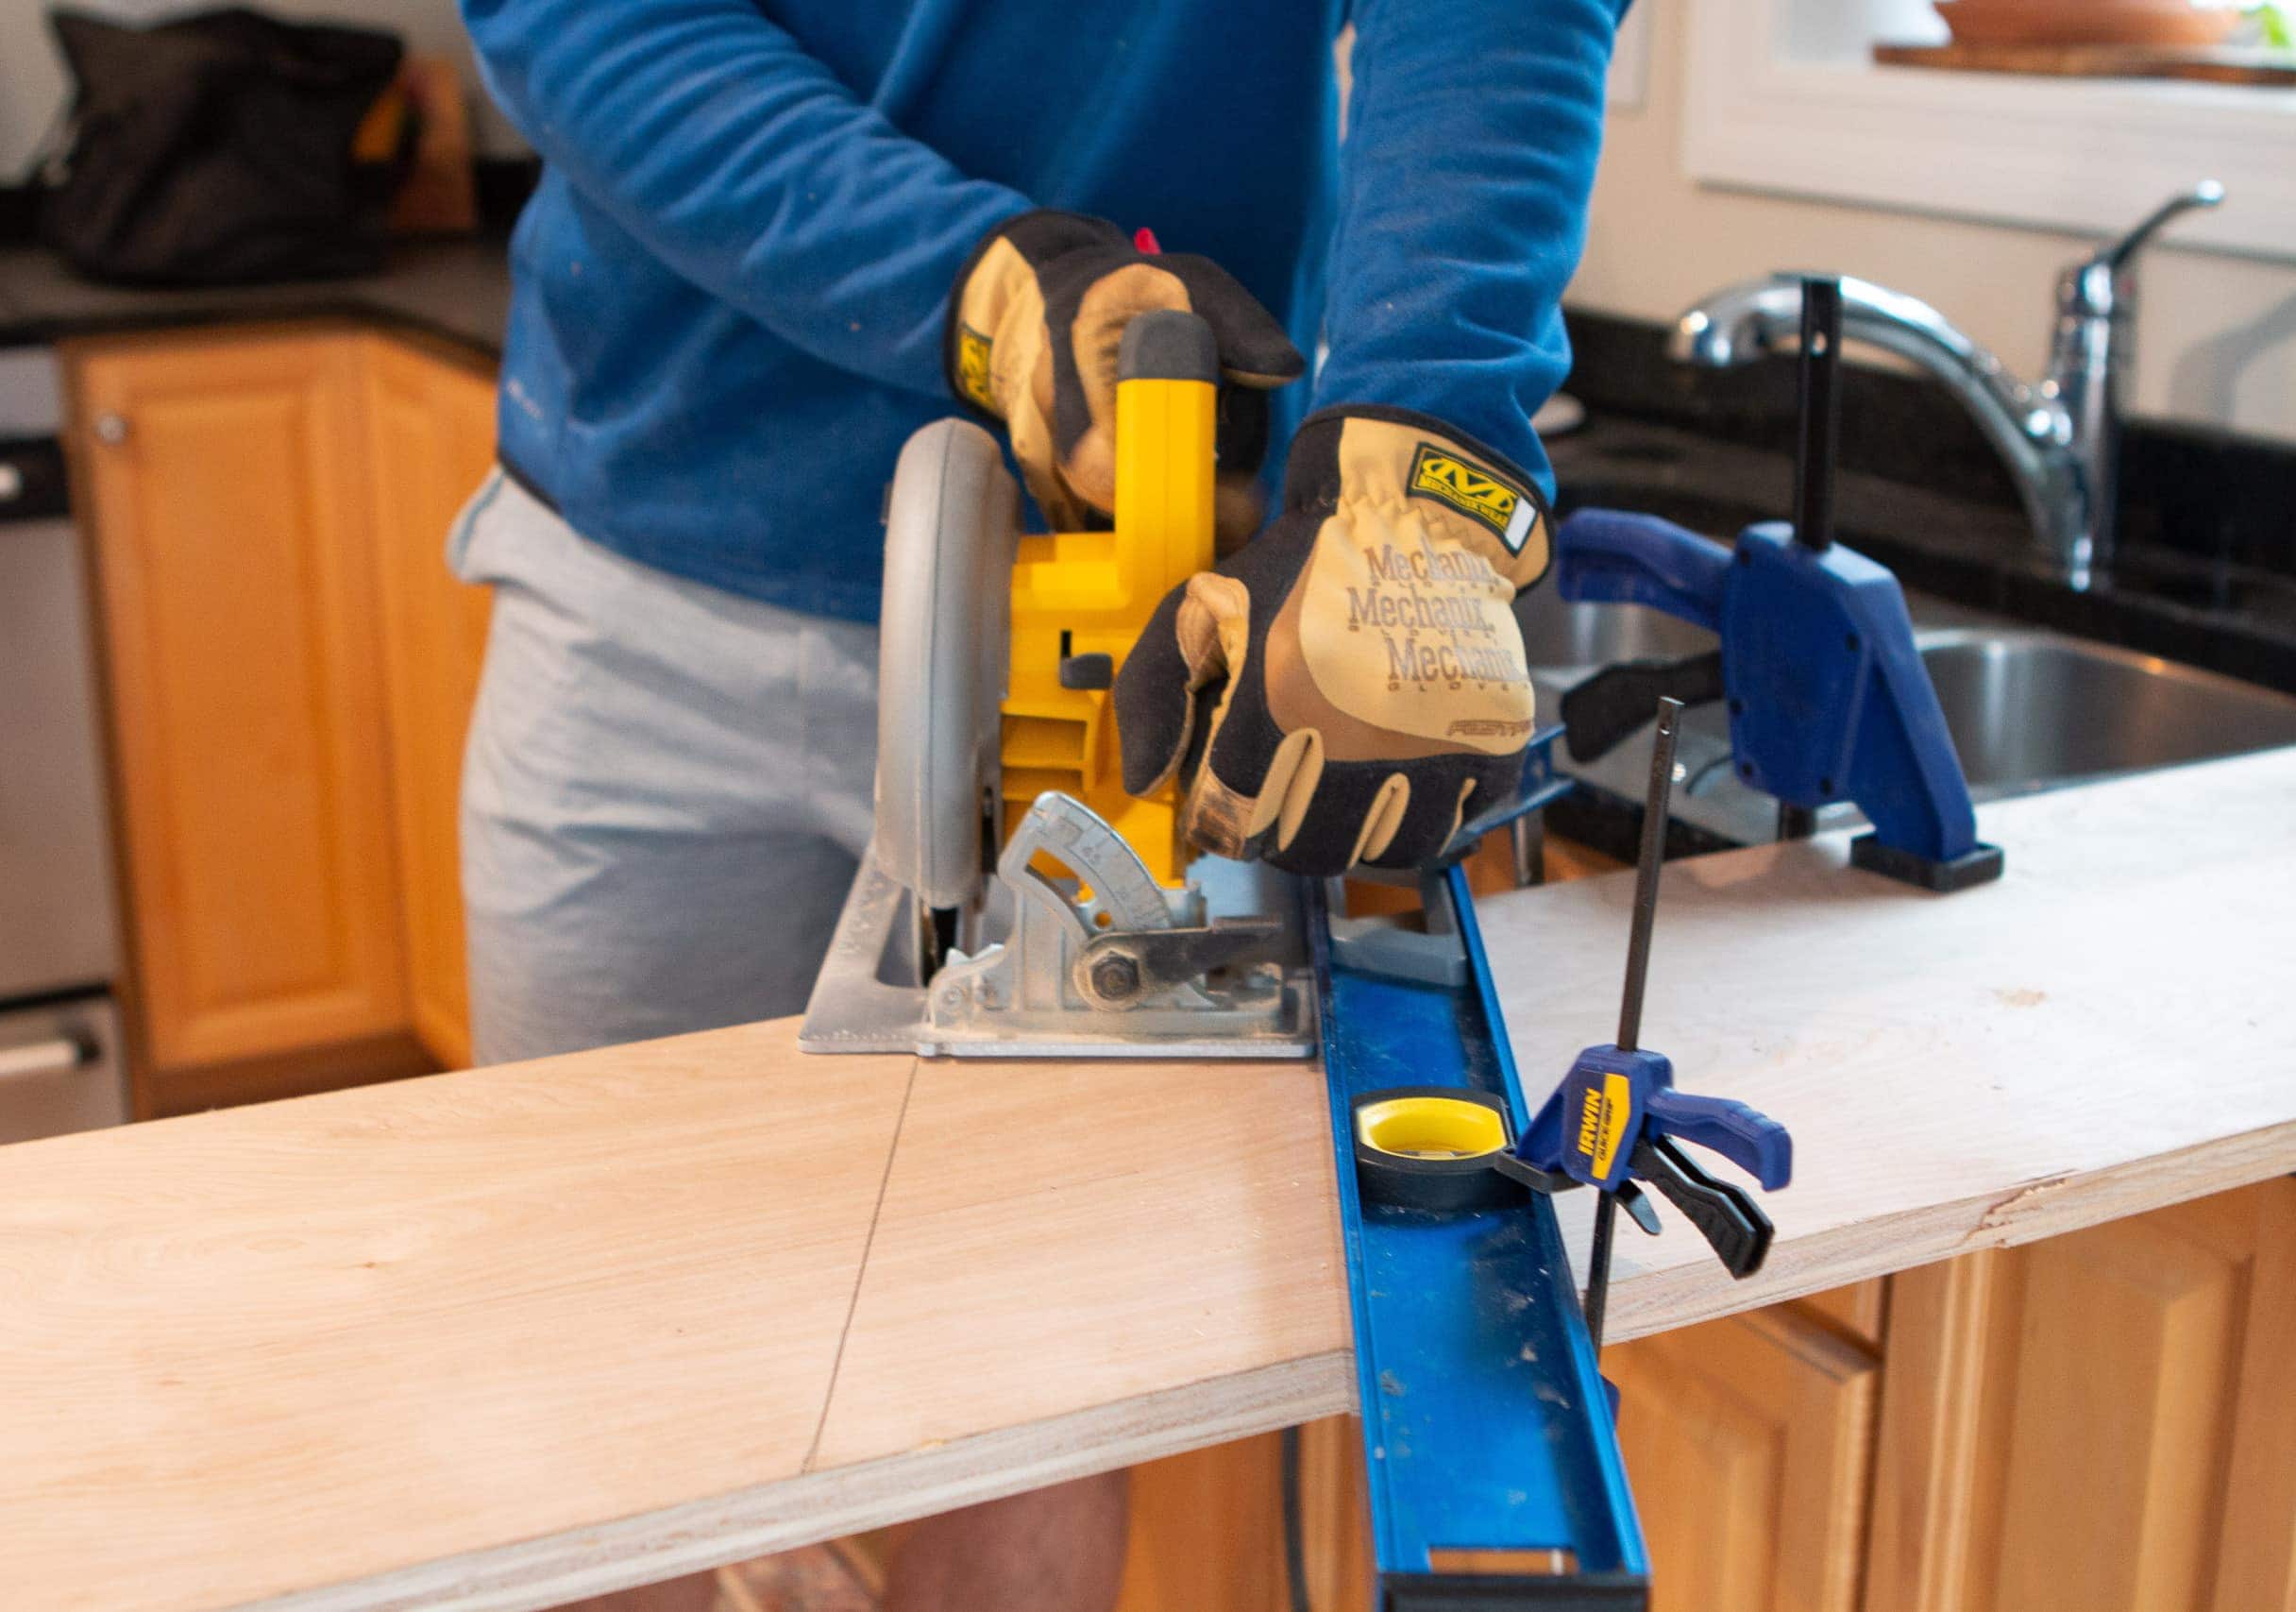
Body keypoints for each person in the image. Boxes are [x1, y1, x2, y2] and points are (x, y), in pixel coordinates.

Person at [452, 2, 1627, 1607]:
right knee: (607, 1369)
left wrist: (1428, 450)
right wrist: (976, 279)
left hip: (1145, 635)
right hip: (663, 564)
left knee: (1034, 1369)